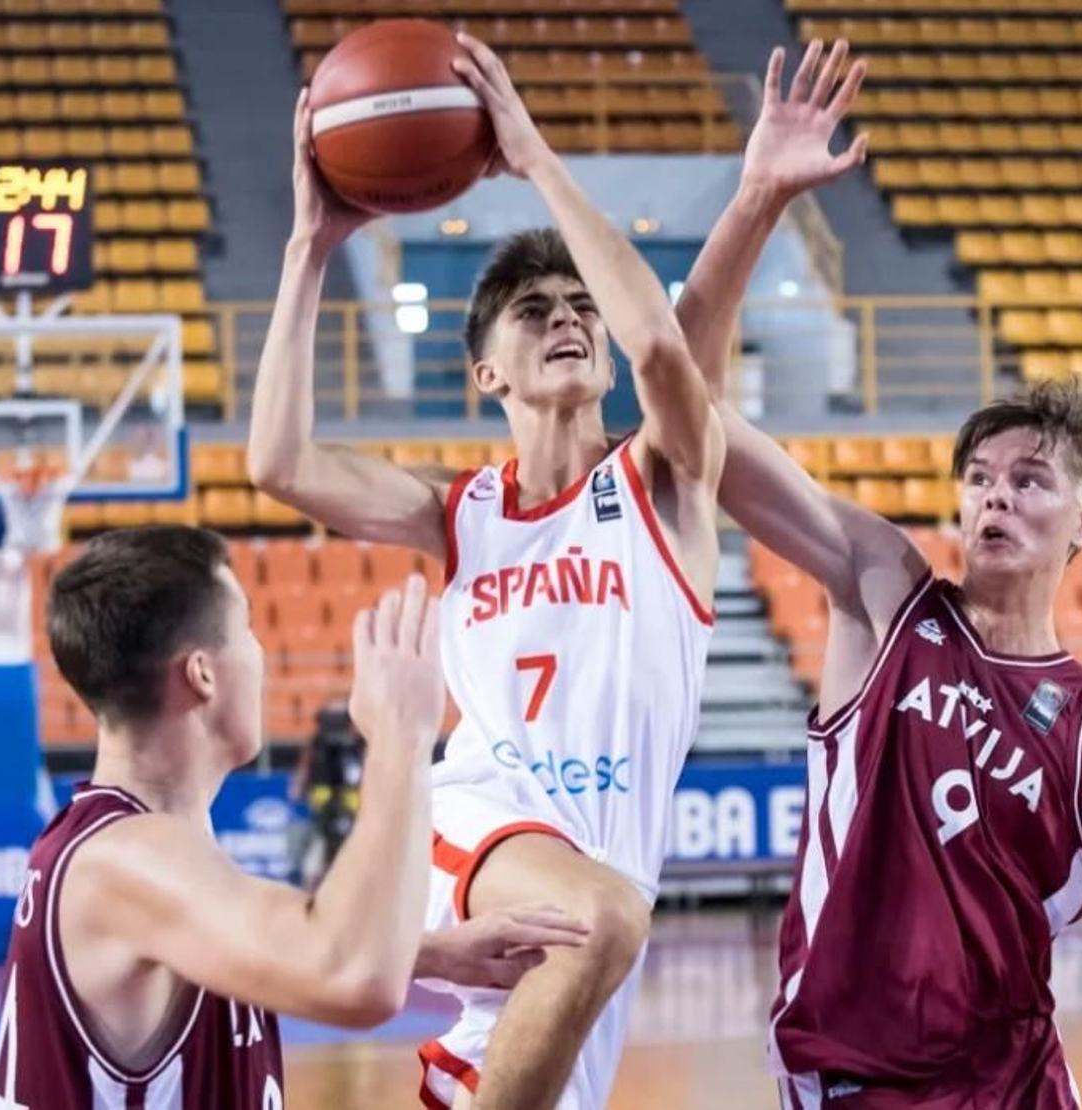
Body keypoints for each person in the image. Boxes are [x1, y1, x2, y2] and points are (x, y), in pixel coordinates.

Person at [673, 45, 1082, 1107]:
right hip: (852, 1077)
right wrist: (754, 199)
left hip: (1017, 1084)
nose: (995, 497)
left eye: (1030, 481)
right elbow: (687, 419)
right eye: (978, 478)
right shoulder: (885, 590)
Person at [249, 33, 725, 1110]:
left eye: (578, 308)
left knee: (538, 1031)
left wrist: (538, 163)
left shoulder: (667, 484)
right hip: (475, 818)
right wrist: (310, 249)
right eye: (532, 311)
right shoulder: (456, 511)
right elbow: (277, 463)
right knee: (601, 921)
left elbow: (663, 354)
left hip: (599, 867)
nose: (566, 318)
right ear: (486, 373)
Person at [0, 525, 590, 1107]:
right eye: (247, 631)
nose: (261, 654)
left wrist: (431, 953)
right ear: (202, 673)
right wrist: (399, 738)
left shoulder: (125, 848)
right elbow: (355, 979)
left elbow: (265, 948)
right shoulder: (128, 859)